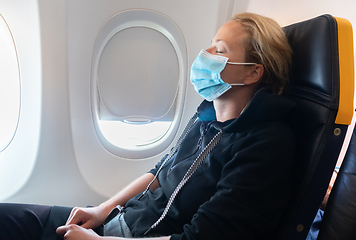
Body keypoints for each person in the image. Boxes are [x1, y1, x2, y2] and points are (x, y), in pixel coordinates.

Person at [0, 12, 296, 240]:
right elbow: (161, 171)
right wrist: (101, 210)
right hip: (119, 222)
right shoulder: (206, 117)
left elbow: (203, 237)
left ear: (252, 73)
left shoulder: (267, 144)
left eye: (219, 50)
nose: (205, 56)